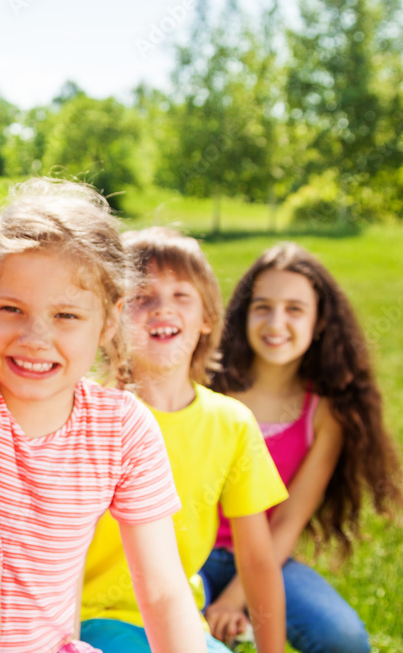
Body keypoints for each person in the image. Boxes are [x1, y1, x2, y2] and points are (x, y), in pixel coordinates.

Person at [0, 179, 206, 653]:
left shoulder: (124, 429)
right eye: (11, 309)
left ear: (108, 322)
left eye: (66, 316)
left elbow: (164, 591)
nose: (35, 338)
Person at [79, 227, 288, 653]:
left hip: (180, 620)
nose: (162, 310)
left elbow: (257, 561)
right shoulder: (84, 412)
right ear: (112, 316)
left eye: (181, 296)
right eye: (143, 298)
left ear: (206, 316)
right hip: (85, 618)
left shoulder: (232, 423)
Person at [200, 242, 403, 652]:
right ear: (243, 314)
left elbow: (288, 521)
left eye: (295, 308)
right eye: (263, 306)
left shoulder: (325, 412)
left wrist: (236, 599)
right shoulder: (208, 386)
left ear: (320, 320)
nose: (276, 322)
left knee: (343, 637)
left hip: (268, 557)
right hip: (191, 555)